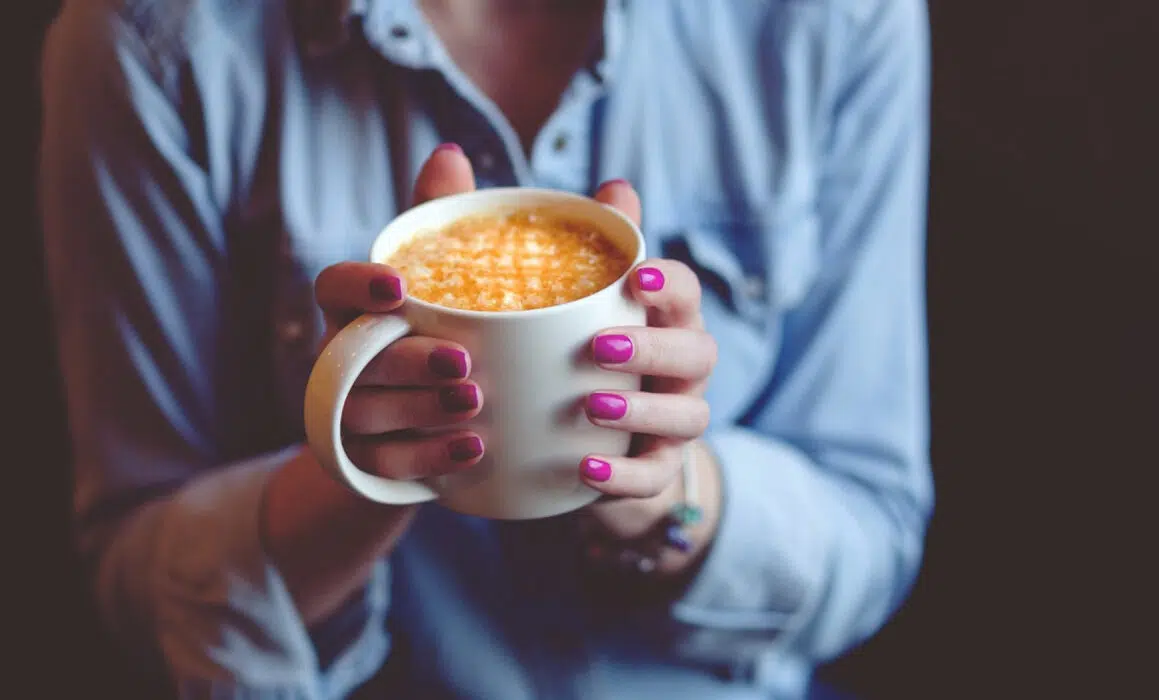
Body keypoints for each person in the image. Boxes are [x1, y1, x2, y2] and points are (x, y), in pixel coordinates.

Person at [38, 0, 933, 697]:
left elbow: (874, 522)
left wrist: (669, 494)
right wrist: (359, 480)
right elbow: (132, 581)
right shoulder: (154, 44)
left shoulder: (833, 22)